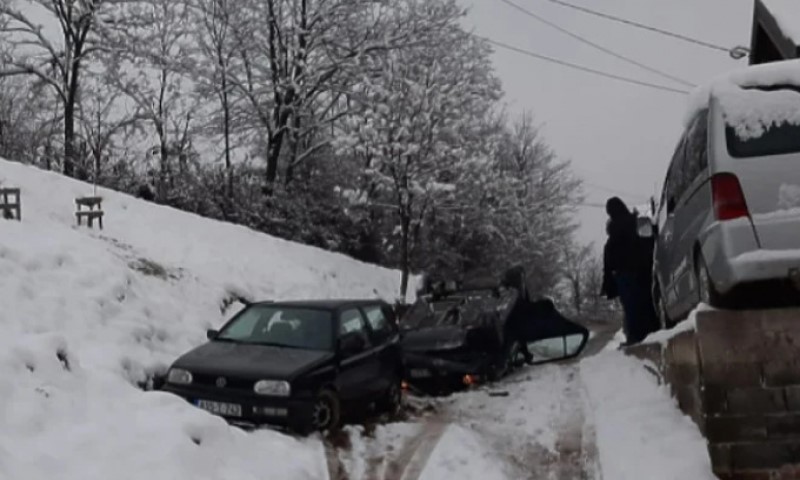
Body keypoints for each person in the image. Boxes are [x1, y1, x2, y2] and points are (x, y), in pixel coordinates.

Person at [601, 197, 646, 346]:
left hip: (624, 273)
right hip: (640, 270)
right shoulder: (634, 222)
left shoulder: (615, 229)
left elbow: (612, 255)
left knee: (630, 305)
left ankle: (635, 337)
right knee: (640, 303)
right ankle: (641, 334)